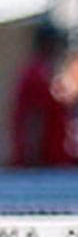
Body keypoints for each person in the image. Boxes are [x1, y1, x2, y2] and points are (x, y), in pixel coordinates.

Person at [9, 22, 70, 167]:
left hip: (50, 158)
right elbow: (34, 118)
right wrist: (32, 156)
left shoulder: (44, 71)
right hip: (41, 161)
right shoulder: (36, 74)